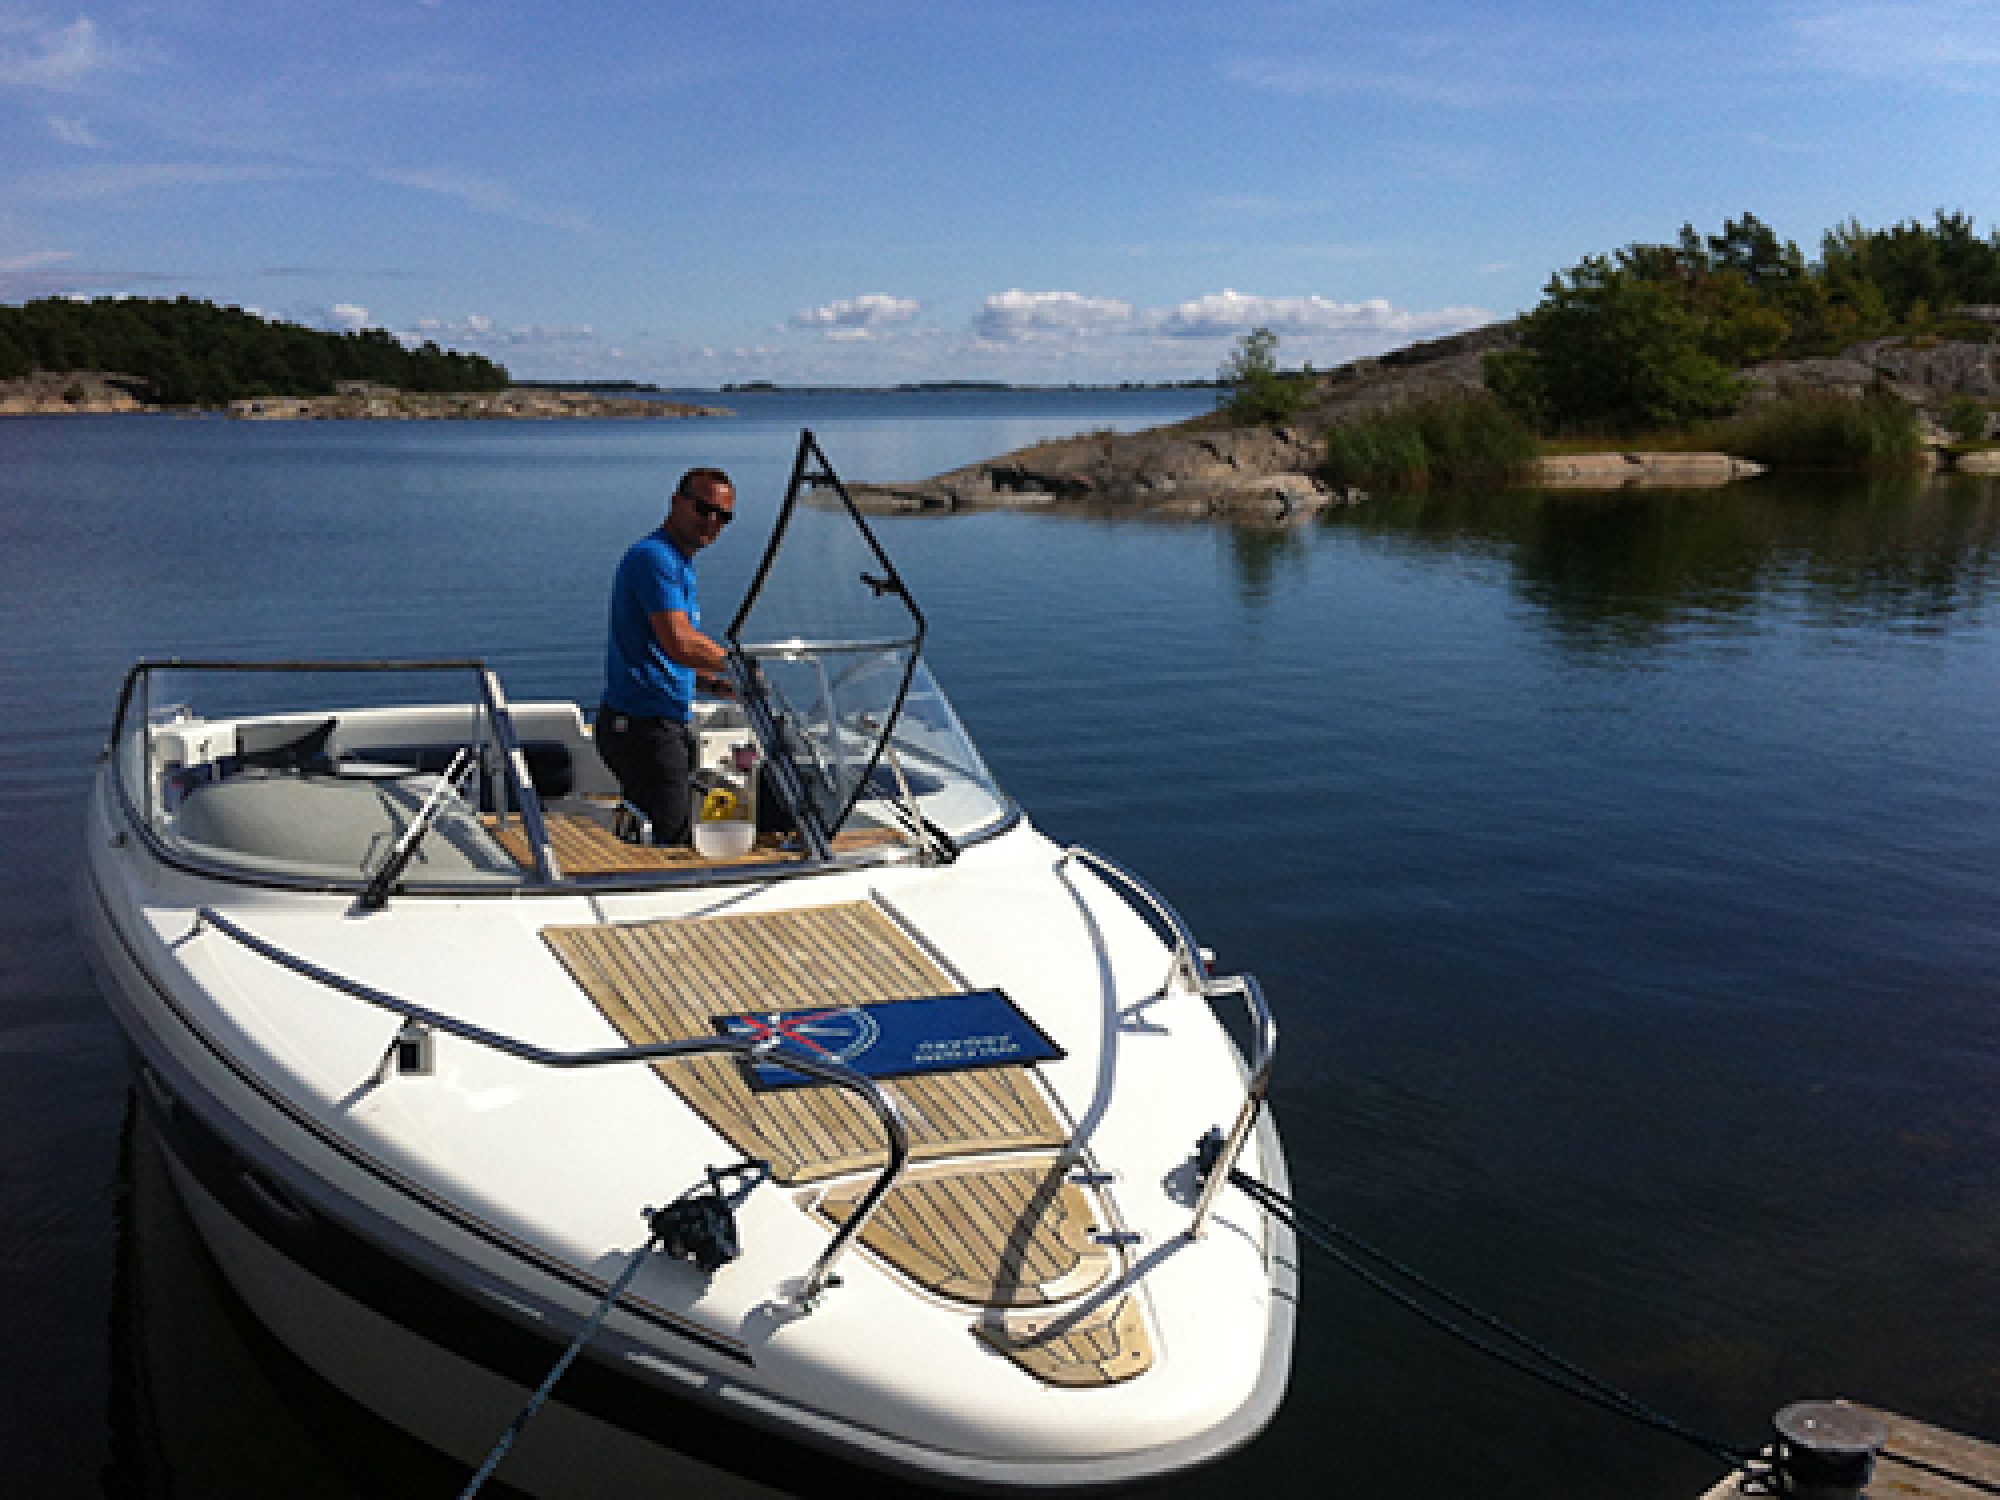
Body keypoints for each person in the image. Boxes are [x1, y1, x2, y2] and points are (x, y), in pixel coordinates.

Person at [594, 466, 736, 845]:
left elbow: (663, 651)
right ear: (677, 502)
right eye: (703, 508)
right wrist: (742, 667)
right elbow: (681, 642)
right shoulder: (654, 558)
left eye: (723, 516)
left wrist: (717, 684)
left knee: (671, 828)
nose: (712, 521)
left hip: (664, 724)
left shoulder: (678, 564)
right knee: (672, 842)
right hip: (643, 728)